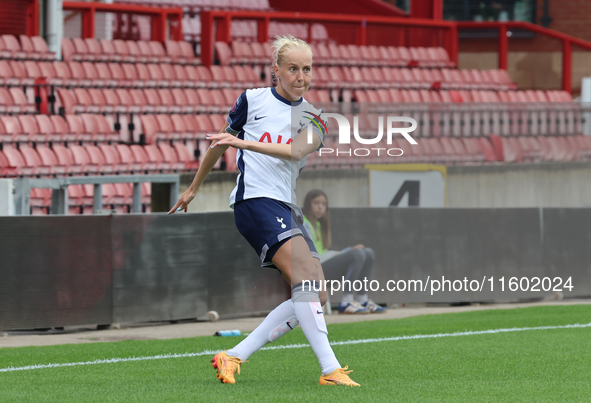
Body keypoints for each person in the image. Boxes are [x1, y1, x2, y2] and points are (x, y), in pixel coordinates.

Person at [169, 35, 359, 387]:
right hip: (255, 201)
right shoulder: (251, 100)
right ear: (277, 70)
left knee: (315, 293)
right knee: (306, 281)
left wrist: (242, 142)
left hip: (285, 205)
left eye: (307, 69)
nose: (301, 76)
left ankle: (234, 355)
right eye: (293, 68)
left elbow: (296, 152)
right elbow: (219, 143)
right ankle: (330, 370)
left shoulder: (316, 118)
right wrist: (194, 186)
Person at [302, 189, 387, 314]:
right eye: (316, 203)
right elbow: (313, 257)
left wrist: (344, 251)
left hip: (322, 269)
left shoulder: (319, 226)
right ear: (308, 205)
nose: (320, 207)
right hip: (313, 273)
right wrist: (346, 251)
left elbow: (324, 254)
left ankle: (362, 298)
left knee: (368, 253)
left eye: (323, 204)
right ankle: (346, 301)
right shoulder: (304, 223)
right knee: (357, 253)